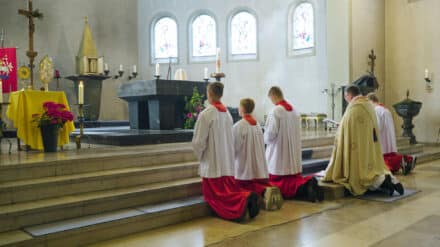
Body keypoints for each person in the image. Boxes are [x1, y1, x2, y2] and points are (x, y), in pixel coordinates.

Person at [192, 82, 260, 221]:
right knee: (226, 191)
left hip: (212, 164)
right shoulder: (227, 114)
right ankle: (245, 197)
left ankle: (243, 200)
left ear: (209, 94)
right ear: (221, 94)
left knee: (215, 196)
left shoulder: (207, 114)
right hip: (226, 165)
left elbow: (198, 141)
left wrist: (200, 157)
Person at [323, 86, 404, 196]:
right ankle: (387, 180)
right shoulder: (368, 104)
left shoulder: (354, 107)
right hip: (369, 145)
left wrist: (340, 127)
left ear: (349, 95)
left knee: (362, 174)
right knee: (371, 168)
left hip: (358, 147)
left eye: (346, 97)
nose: (346, 99)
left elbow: (347, 125)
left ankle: (384, 182)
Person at [264, 86, 323, 202]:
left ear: (273, 96)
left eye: (271, 99)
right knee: (291, 179)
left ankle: (306, 187)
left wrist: (264, 139)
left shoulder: (276, 111)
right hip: (292, 156)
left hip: (279, 154)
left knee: (278, 182)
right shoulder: (294, 111)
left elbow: (270, 134)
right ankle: (307, 184)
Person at [233, 98, 283, 210]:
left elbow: (234, 147)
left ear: (242, 109)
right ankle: (267, 189)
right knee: (252, 183)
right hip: (257, 165)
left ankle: (264, 191)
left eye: (239, 106)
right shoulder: (257, 126)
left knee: (241, 186)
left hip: (244, 165)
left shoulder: (238, 126)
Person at [367, 93, 416, 175]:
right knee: (389, 156)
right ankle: (408, 159)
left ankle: (404, 159)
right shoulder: (385, 109)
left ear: (371, 101)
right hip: (388, 136)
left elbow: (377, 126)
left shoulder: (376, 110)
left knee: (385, 160)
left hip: (382, 137)